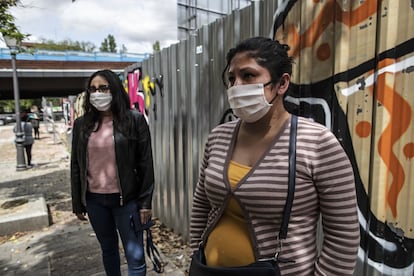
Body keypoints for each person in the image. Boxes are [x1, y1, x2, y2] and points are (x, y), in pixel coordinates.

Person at [189, 37, 360, 275]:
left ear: (281, 83)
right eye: (231, 79)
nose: (236, 86)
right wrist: (193, 257)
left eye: (248, 75)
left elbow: (343, 236)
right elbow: (202, 205)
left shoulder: (318, 144)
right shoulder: (218, 137)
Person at [71, 69, 155, 276]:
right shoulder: (82, 125)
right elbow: (76, 165)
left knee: (135, 257)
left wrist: (145, 203)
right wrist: (77, 202)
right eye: (92, 89)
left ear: (114, 90)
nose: (97, 93)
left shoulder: (134, 120)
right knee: (108, 251)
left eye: (103, 88)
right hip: (95, 201)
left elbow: (146, 163)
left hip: (126, 202)